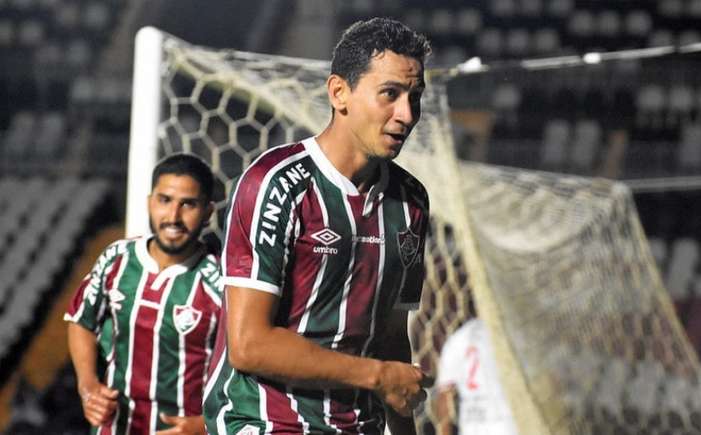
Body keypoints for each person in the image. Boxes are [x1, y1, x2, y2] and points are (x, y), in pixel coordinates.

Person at [203, 17, 431, 435]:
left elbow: (391, 337)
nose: (407, 115)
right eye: (391, 94)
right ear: (339, 93)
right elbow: (249, 345)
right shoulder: (277, 183)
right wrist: (379, 376)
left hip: (357, 424)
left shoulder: (411, 201)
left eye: (415, 98)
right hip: (266, 422)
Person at [65, 154, 222, 435]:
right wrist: (87, 384)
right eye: (165, 200)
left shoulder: (221, 281)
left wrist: (208, 425)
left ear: (208, 212)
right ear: (150, 202)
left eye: (188, 204)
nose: (173, 217)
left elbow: (245, 369)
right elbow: (81, 320)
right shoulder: (117, 258)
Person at [434, 318, 519, 435]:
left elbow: (444, 396)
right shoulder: (516, 331)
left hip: (474, 427)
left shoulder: (458, 339)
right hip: (509, 426)